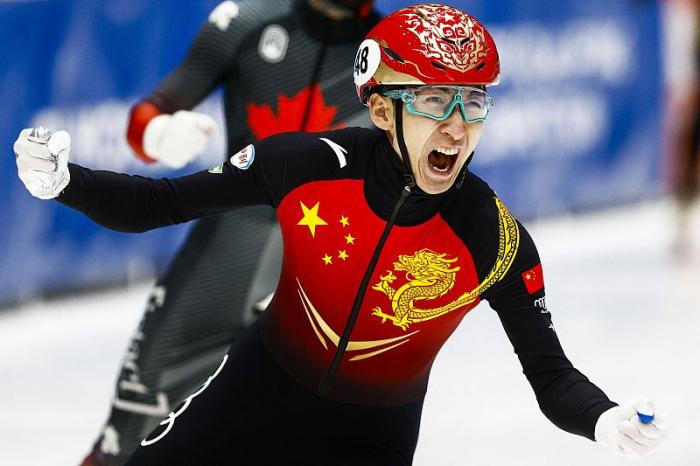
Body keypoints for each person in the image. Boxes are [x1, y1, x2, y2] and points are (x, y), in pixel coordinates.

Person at [14, 4, 668, 465]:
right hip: (247, 403)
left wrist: (603, 418)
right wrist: (64, 182)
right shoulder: (305, 166)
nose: (457, 125)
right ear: (381, 108)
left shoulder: (492, 239)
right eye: (434, 100)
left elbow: (552, 377)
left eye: (473, 102)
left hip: (368, 444)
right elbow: (158, 204)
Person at [74, 1, 380, 464]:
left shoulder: (391, 50)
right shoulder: (247, 19)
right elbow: (148, 115)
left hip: (322, 257)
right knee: (135, 420)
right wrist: (159, 135)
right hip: (227, 247)